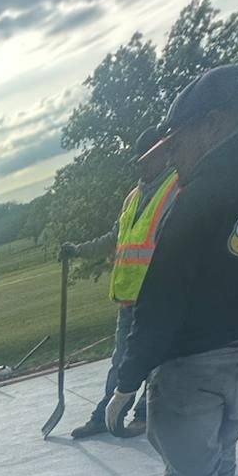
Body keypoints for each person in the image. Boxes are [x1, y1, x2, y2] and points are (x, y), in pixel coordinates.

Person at [109, 66, 238, 476]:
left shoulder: (203, 194)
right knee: (222, 456)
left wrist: (127, 380)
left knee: (191, 473)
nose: (174, 154)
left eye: (179, 141)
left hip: (193, 362)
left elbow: (163, 297)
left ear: (213, 126)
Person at [60, 125, 178, 440]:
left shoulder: (178, 189)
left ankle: (144, 414)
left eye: (147, 159)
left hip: (159, 296)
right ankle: (105, 415)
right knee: (121, 361)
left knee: (153, 360)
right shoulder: (133, 197)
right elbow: (115, 240)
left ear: (165, 153)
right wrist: (78, 250)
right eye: (138, 160)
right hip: (128, 297)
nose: (141, 165)